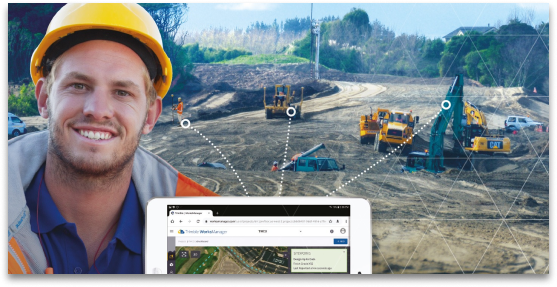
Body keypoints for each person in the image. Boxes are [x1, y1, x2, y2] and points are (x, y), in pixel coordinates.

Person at [8, 3, 217, 275]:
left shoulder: (208, 242)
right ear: (45, 99)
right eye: (78, 86)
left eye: (122, 92)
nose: (98, 110)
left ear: (150, 115)